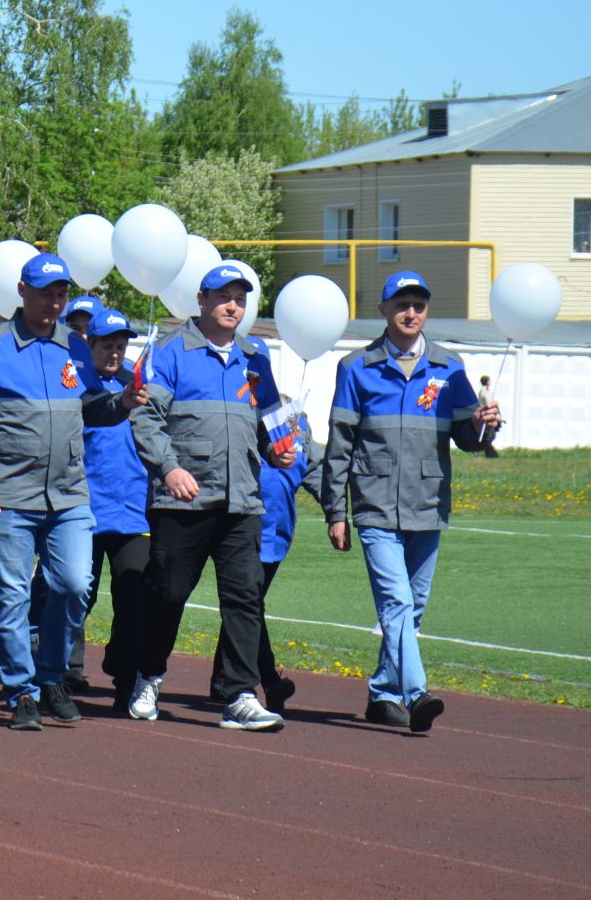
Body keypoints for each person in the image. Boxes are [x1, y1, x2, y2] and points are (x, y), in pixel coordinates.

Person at [0, 253, 143, 731]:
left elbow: (89, 409)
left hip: (68, 494)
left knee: (74, 584)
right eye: (45, 293)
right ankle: (22, 690)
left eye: (61, 294)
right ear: (22, 291)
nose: (54, 302)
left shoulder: (76, 346)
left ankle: (52, 675)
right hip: (8, 495)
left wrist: (119, 403)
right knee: (13, 596)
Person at [319, 270, 498, 733]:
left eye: (419, 304)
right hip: (375, 506)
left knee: (411, 607)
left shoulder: (448, 366)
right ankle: (416, 692)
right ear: (383, 311)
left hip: (428, 503)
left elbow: (467, 437)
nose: (411, 312)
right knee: (396, 603)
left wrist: (484, 425)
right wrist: (335, 511)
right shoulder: (357, 367)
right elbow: (339, 443)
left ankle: (382, 692)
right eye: (401, 304)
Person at [125, 264, 294, 732]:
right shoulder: (170, 353)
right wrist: (169, 468)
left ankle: (238, 694)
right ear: (201, 300)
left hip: (241, 501)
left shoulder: (255, 356)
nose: (232, 305)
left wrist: (280, 449)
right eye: (223, 296)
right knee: (168, 593)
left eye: (240, 297)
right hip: (182, 500)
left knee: (244, 598)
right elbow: (145, 418)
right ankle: (149, 675)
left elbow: (269, 419)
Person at [214, 393, 316, 712]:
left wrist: (337, 510)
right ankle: (268, 679)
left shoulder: (296, 427)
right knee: (249, 602)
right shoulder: (243, 420)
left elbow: (312, 467)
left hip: (276, 534)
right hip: (242, 526)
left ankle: (223, 680)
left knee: (246, 603)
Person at [75, 308, 153, 712]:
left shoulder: (137, 386)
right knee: (76, 593)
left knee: (135, 594)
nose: (115, 352)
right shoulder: (76, 385)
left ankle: (125, 676)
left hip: (133, 512)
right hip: (84, 510)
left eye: (121, 345)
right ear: (89, 343)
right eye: (107, 344)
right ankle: (65, 668)